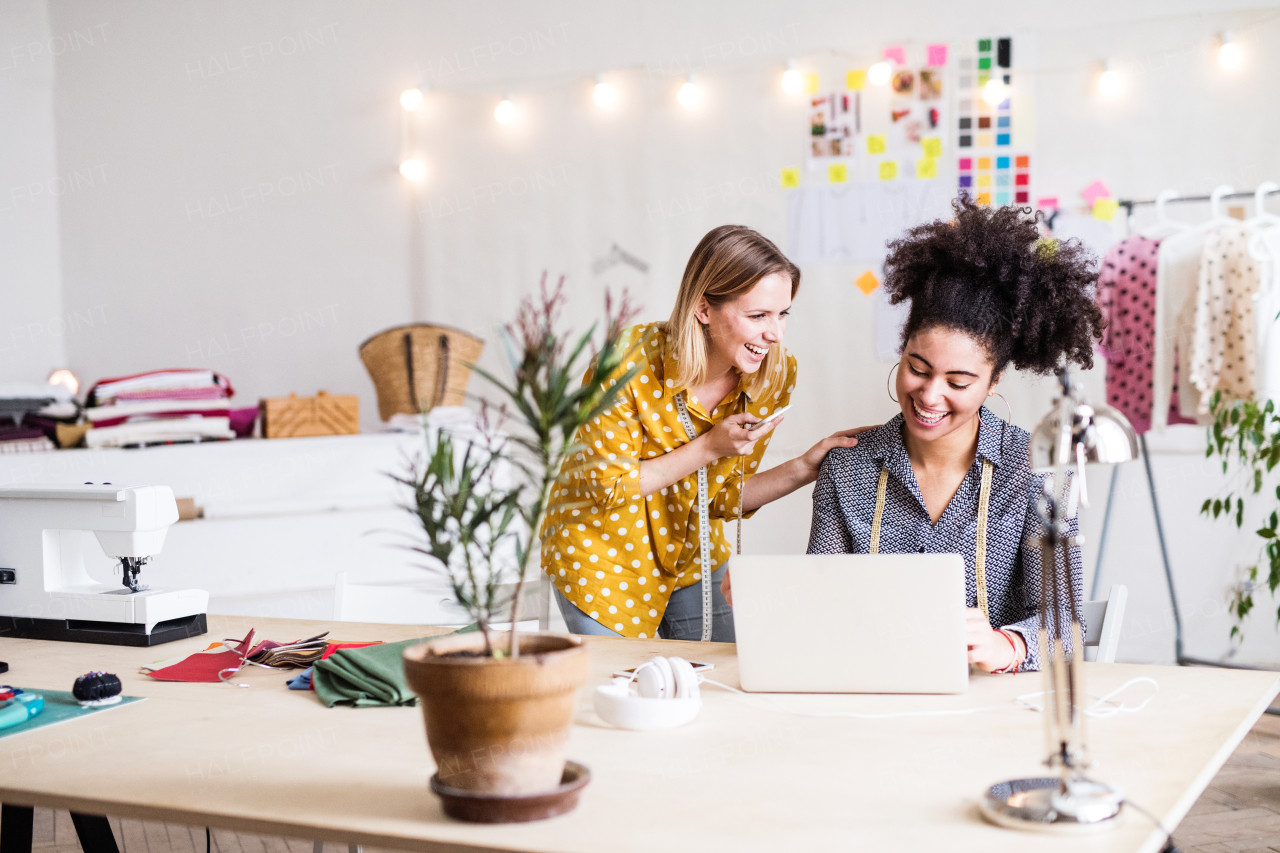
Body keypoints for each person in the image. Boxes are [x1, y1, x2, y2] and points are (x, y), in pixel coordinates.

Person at [804, 200, 1104, 673]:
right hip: (874, 696)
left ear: (995, 379)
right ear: (902, 351)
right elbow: (820, 604)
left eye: (958, 382)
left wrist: (1008, 645)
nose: (930, 395)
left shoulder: (1035, 469)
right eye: (917, 369)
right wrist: (780, 598)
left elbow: (1065, 627)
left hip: (993, 712)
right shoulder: (848, 468)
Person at [541, 225, 863, 640]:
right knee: (623, 689)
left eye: (782, 314)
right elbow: (606, 486)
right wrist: (710, 446)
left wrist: (805, 466)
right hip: (603, 555)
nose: (775, 333)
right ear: (703, 309)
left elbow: (721, 497)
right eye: (757, 315)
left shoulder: (774, 372)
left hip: (692, 552)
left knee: (722, 681)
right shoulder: (627, 361)